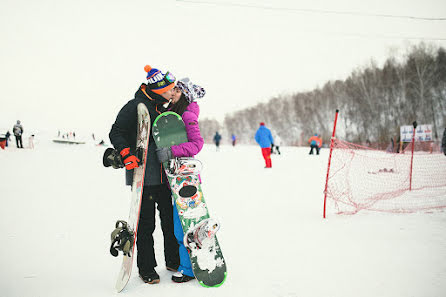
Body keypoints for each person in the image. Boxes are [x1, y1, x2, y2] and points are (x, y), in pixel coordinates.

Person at [109, 65, 179, 284]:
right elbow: (116, 131)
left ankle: (173, 260)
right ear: (158, 88)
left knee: (170, 221)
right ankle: (146, 268)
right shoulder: (135, 106)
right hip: (144, 177)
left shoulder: (163, 108)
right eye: (169, 89)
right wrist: (126, 153)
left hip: (165, 175)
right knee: (147, 224)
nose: (172, 92)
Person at [156, 77, 205, 283]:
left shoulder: (187, 114)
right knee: (181, 224)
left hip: (187, 180)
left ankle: (189, 269)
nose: (172, 93)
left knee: (183, 226)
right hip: (177, 178)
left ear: (185, 95)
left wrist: (171, 151)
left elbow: (197, 144)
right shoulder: (176, 114)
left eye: (176, 90)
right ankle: (188, 265)